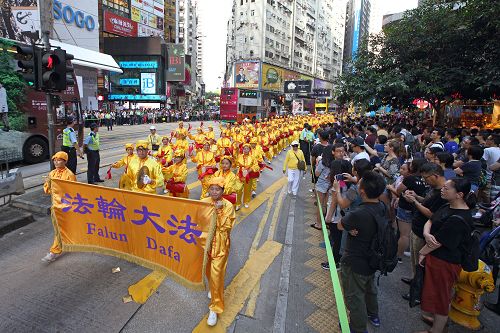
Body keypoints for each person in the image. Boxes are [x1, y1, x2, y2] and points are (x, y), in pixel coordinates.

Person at [417, 178, 475, 333]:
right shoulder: (446, 205)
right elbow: (430, 220)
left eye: (447, 188)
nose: (442, 190)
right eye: (443, 187)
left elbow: (438, 242)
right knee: (434, 292)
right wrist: (426, 233)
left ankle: (437, 329)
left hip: (445, 261)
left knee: (441, 296)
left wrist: (422, 253)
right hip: (436, 257)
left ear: (459, 194)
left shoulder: (460, 217)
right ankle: (437, 321)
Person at [338, 171, 386, 333]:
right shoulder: (381, 206)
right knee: (370, 288)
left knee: (354, 295)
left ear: (362, 192)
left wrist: (336, 191)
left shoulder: (359, 213)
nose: (357, 184)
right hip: (373, 258)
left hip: (355, 260)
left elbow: (340, 225)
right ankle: (374, 315)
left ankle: (358, 327)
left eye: (359, 183)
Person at [400, 163, 447, 303]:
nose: (425, 181)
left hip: (423, 232)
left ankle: (418, 292)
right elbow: (426, 203)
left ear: (435, 176)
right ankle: (415, 280)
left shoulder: (442, 194)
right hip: (417, 228)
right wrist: (417, 197)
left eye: (426, 178)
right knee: (415, 261)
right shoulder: (433, 189)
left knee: (421, 264)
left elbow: (430, 213)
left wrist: (414, 201)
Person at [201, 177, 236, 326]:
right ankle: (213, 289)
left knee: (216, 276)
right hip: (204, 245)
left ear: (223, 191)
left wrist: (220, 211)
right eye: (212, 189)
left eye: (217, 189)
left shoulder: (228, 206)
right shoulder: (204, 202)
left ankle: (215, 308)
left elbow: (226, 227)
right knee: (208, 271)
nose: (214, 192)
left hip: (220, 246)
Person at [41, 152, 77, 263]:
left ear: (65, 161)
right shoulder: (52, 173)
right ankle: (71, 242)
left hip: (66, 207)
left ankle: (54, 252)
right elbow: (47, 191)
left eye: (59, 160)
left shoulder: (70, 175)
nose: (56, 162)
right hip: (55, 207)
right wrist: (48, 183)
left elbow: (74, 192)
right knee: (61, 229)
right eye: (55, 160)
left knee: (59, 229)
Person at [236, 143, 260, 208]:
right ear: (243, 149)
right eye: (244, 148)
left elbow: (257, 166)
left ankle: (246, 202)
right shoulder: (239, 156)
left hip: (248, 176)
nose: (246, 150)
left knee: (248, 189)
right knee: (238, 189)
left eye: (247, 149)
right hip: (240, 175)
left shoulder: (252, 158)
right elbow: (235, 164)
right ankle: (237, 203)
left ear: (249, 150)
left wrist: (250, 170)